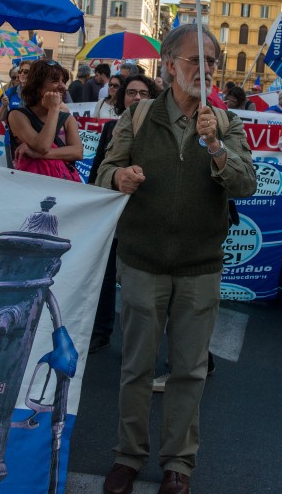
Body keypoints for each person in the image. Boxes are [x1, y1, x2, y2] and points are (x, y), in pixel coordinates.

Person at [94, 25, 256, 494]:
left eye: (212, 62)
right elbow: (104, 169)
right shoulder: (139, 116)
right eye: (194, 60)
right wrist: (118, 176)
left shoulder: (226, 124)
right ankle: (128, 456)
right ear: (168, 64)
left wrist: (215, 147)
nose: (204, 70)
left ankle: (178, 465)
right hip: (142, 261)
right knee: (136, 369)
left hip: (200, 266)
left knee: (189, 371)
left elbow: (245, 184)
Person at [88, 74, 159, 355]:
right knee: (104, 275)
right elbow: (98, 173)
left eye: (143, 93)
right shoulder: (110, 129)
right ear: (121, 99)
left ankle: (195, 352)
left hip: (147, 219)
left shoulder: (160, 132)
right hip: (115, 215)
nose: (137, 98)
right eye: (131, 93)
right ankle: (100, 331)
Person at [7, 60, 83, 180]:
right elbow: (43, 146)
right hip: (29, 185)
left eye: (63, 81)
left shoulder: (67, 119)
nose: (62, 86)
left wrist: (36, 155)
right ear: (37, 85)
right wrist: (53, 109)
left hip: (63, 187)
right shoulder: (17, 116)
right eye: (55, 81)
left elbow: (77, 152)